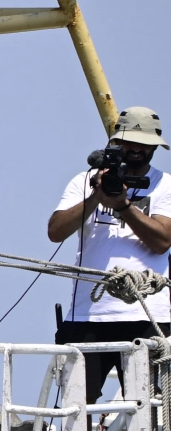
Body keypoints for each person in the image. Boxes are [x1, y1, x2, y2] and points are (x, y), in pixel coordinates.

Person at [46, 105, 171, 402]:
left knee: (148, 406)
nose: (137, 149)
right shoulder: (85, 181)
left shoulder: (166, 185)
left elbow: (162, 240)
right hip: (89, 316)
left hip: (148, 316)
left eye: (145, 144)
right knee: (77, 404)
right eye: (130, 142)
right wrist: (96, 198)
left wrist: (123, 206)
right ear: (116, 142)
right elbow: (55, 232)